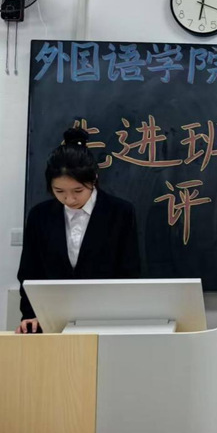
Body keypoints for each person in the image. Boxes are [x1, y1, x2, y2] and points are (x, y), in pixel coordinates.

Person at [16, 127, 141, 334]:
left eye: (78, 191)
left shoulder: (120, 212)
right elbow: (29, 271)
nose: (69, 199)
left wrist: (122, 314)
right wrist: (30, 314)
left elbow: (129, 271)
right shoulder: (40, 216)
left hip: (106, 319)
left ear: (94, 179)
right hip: (51, 320)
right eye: (59, 191)